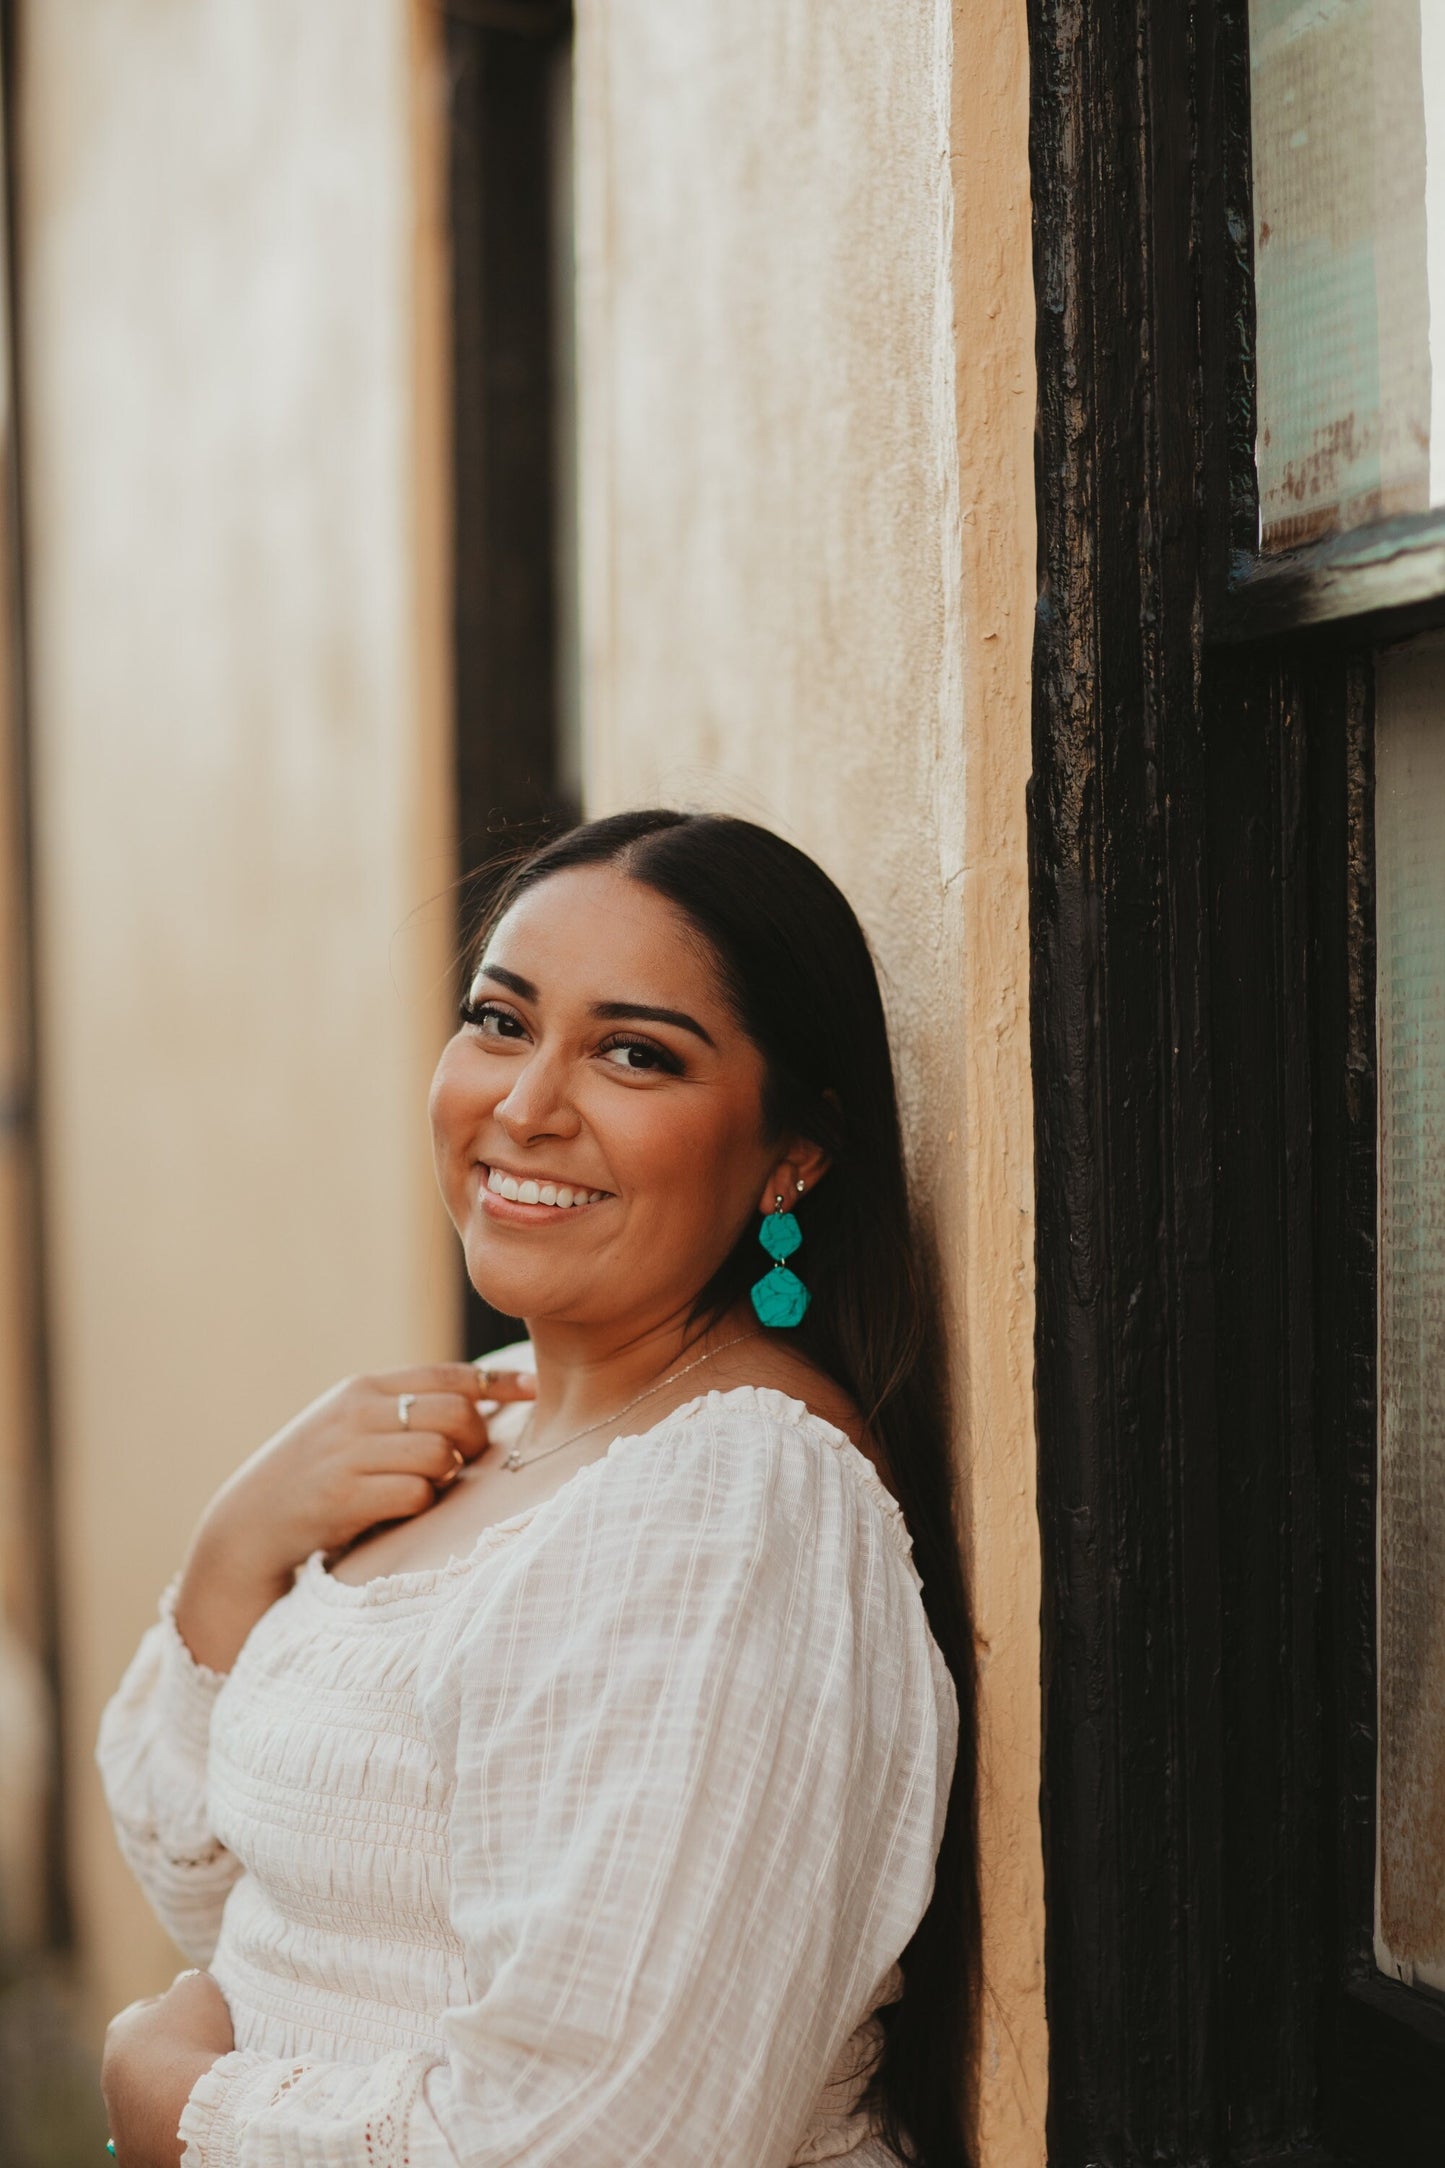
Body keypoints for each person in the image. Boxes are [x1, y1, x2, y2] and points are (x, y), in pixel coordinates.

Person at [95, 809, 978, 2168]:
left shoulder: (731, 1510)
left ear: (791, 1152)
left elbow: (602, 2143)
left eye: (635, 1053)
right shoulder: (481, 1413)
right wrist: (234, 1555)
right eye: (500, 1021)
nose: (522, 1106)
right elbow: (265, 1916)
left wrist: (183, 2115)